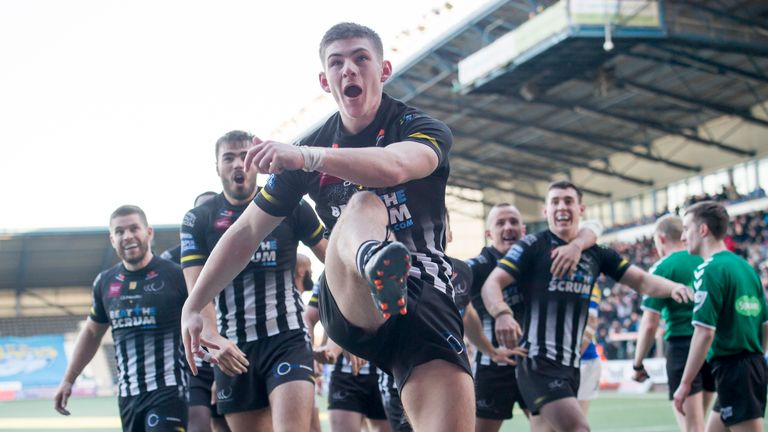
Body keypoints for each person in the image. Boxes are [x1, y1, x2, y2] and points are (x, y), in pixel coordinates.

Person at [182, 22, 474, 431]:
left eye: (360, 58)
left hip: (422, 297)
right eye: (336, 63)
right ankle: (373, 262)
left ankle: (386, 271)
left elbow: (395, 165)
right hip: (350, 295)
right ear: (325, 81)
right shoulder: (306, 152)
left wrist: (308, 157)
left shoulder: (419, 127)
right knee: (364, 203)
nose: (348, 69)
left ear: (384, 70)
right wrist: (193, 305)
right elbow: (246, 233)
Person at [481, 181, 692, 432]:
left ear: (580, 209)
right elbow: (492, 283)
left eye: (568, 201)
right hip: (538, 362)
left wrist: (673, 288)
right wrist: (502, 313)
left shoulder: (597, 253)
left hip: (571, 366)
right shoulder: (532, 245)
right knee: (578, 428)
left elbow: (642, 281)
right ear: (546, 211)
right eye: (555, 202)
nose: (562, 206)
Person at [180, 130, 327, 432]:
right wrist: (213, 337)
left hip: (287, 339)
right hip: (232, 347)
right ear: (217, 167)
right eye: (228, 158)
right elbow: (198, 292)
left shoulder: (291, 204)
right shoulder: (199, 219)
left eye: (244, 156)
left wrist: (346, 319)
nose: (238, 164)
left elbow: (333, 259)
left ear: (257, 162)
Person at [466, 203, 602, 432]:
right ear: (489, 233)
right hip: (494, 368)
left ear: (524, 230)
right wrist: (489, 349)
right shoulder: (479, 266)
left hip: (535, 365)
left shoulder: (539, 258)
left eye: (513, 222)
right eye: (500, 223)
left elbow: (593, 226)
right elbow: (455, 297)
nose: (508, 227)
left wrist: (576, 245)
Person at [54, 205, 188, 432]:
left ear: (149, 232)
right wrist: (68, 379)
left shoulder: (176, 275)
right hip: (128, 397)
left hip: (169, 391)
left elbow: (203, 318)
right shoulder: (105, 282)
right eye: (119, 232)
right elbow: (92, 333)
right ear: (112, 240)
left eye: (134, 228)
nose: (127, 236)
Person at [673, 201, 768, 432]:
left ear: (703, 230)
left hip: (734, 369)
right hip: (747, 367)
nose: (683, 237)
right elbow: (765, 325)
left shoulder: (708, 270)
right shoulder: (746, 268)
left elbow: (704, 332)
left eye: (686, 229)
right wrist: (755, 358)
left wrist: (685, 383)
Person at [632, 214, 713, 432]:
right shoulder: (706, 261)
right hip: (712, 345)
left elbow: (650, 323)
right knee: (703, 424)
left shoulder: (662, 268)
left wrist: (637, 363)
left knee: (692, 427)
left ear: (661, 238)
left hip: (682, 348)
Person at [162, 190, 227, 432]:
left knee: (226, 425)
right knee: (198, 425)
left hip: (231, 350)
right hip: (194, 359)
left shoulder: (237, 248)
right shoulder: (170, 260)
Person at [161, 191, 217, 265]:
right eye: (202, 211)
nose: (207, 216)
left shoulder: (231, 250)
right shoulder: (170, 259)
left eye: (214, 210)